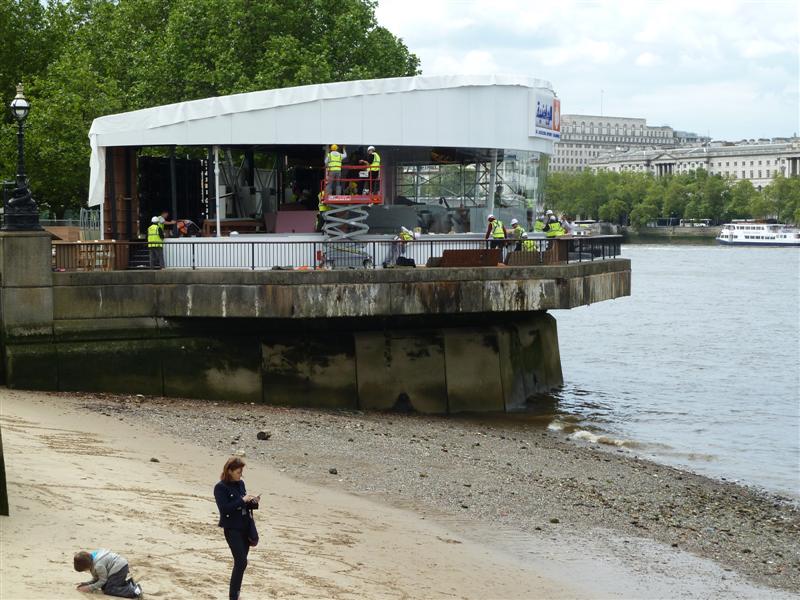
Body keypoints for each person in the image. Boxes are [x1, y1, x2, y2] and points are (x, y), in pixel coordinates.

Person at [215, 457, 260, 600]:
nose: (241, 474)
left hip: (245, 527)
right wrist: (242, 500)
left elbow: (245, 505)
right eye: (239, 472)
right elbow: (224, 509)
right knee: (241, 561)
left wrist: (253, 502)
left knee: (241, 563)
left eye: (241, 472)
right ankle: (233, 596)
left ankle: (236, 594)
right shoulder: (220, 487)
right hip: (232, 529)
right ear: (230, 471)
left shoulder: (241, 484)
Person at [74, 549, 142, 598]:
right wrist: (87, 584)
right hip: (119, 567)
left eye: (85, 570)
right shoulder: (91, 557)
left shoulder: (98, 566)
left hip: (119, 569)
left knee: (109, 590)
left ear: (87, 566)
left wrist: (89, 588)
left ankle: (134, 591)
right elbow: (97, 578)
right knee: (104, 586)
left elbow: (102, 580)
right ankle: (129, 583)